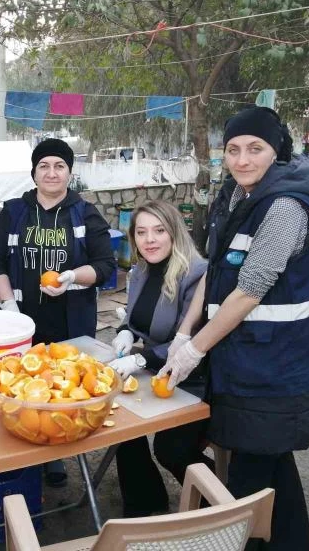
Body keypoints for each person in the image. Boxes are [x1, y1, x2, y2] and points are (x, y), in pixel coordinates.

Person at [161, 106, 309, 550]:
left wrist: (194, 348)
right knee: (275, 473)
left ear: (278, 151)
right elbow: (215, 273)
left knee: (247, 489)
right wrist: (184, 331)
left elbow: (250, 290)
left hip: (277, 370)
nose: (242, 160)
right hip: (245, 363)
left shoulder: (286, 206)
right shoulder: (234, 197)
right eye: (233, 150)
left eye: (255, 149)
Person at [0, 138, 115, 485]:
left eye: (59, 166)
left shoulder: (85, 213)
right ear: (34, 172)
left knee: (61, 391)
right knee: (18, 388)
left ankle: (55, 456)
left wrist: (71, 277)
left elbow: (104, 265)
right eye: (44, 166)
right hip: (20, 324)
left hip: (69, 323)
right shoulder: (13, 211)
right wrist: (9, 308)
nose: (52, 172)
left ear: (70, 173)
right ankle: (19, 459)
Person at [106, 200, 213, 517]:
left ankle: (225, 499)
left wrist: (140, 360)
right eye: (141, 232)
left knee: (171, 450)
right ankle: (145, 503)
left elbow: (193, 336)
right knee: (121, 426)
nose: (149, 239)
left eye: (158, 230)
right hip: (155, 370)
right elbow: (135, 316)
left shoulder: (197, 274)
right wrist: (125, 330)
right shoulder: (140, 270)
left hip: (193, 377)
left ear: (175, 233)